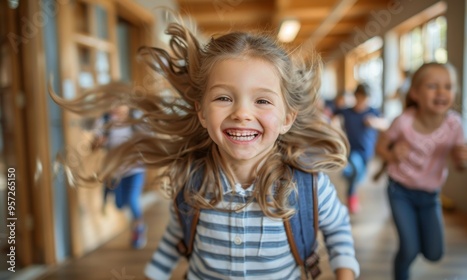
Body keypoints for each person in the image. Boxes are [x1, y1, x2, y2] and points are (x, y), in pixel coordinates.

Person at [49, 19, 359, 280]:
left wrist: (345, 272)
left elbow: (338, 229)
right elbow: (176, 238)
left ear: (288, 118)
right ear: (201, 112)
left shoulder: (308, 185)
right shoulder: (190, 181)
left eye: (262, 100)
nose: (241, 113)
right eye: (224, 98)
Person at [375, 62, 467, 280]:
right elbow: (380, 147)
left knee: (434, 254)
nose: (441, 92)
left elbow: (461, 164)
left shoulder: (454, 124)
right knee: (409, 249)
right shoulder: (403, 122)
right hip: (400, 191)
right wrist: (392, 155)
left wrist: (462, 159)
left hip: (430, 196)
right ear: (416, 93)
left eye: (448, 86)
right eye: (433, 86)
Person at [91, 105, 147, 249]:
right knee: (120, 204)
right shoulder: (103, 120)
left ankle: (139, 229)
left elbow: (149, 137)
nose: (115, 107)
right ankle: (109, 191)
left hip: (136, 168)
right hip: (116, 171)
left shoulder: (136, 116)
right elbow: (94, 145)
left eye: (119, 102)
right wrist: (98, 143)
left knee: (132, 199)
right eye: (112, 103)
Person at [333, 83, 387, 213]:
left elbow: (385, 124)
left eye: (366, 98)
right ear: (356, 96)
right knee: (356, 170)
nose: (363, 101)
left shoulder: (372, 112)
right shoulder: (347, 112)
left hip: (367, 152)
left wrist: (374, 122)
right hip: (352, 150)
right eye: (361, 97)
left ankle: (346, 173)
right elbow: (332, 115)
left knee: (359, 175)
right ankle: (352, 198)